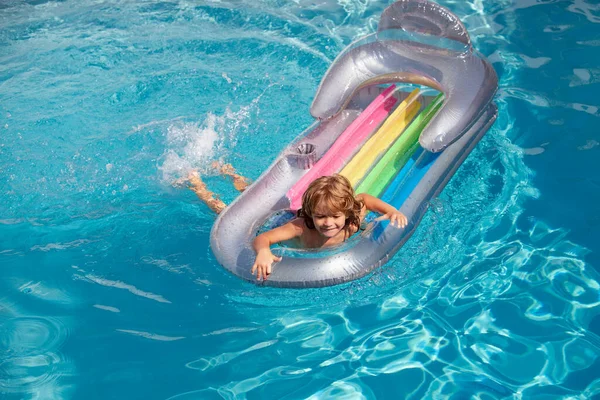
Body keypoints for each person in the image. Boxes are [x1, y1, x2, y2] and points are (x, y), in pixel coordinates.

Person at [251, 174, 407, 281]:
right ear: (311, 214)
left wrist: (390, 210)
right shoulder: (300, 228)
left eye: (335, 216)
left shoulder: (351, 223)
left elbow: (364, 199)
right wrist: (264, 251)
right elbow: (263, 238)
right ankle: (232, 175)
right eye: (320, 217)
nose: (328, 223)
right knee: (257, 202)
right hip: (281, 220)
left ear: (346, 213)